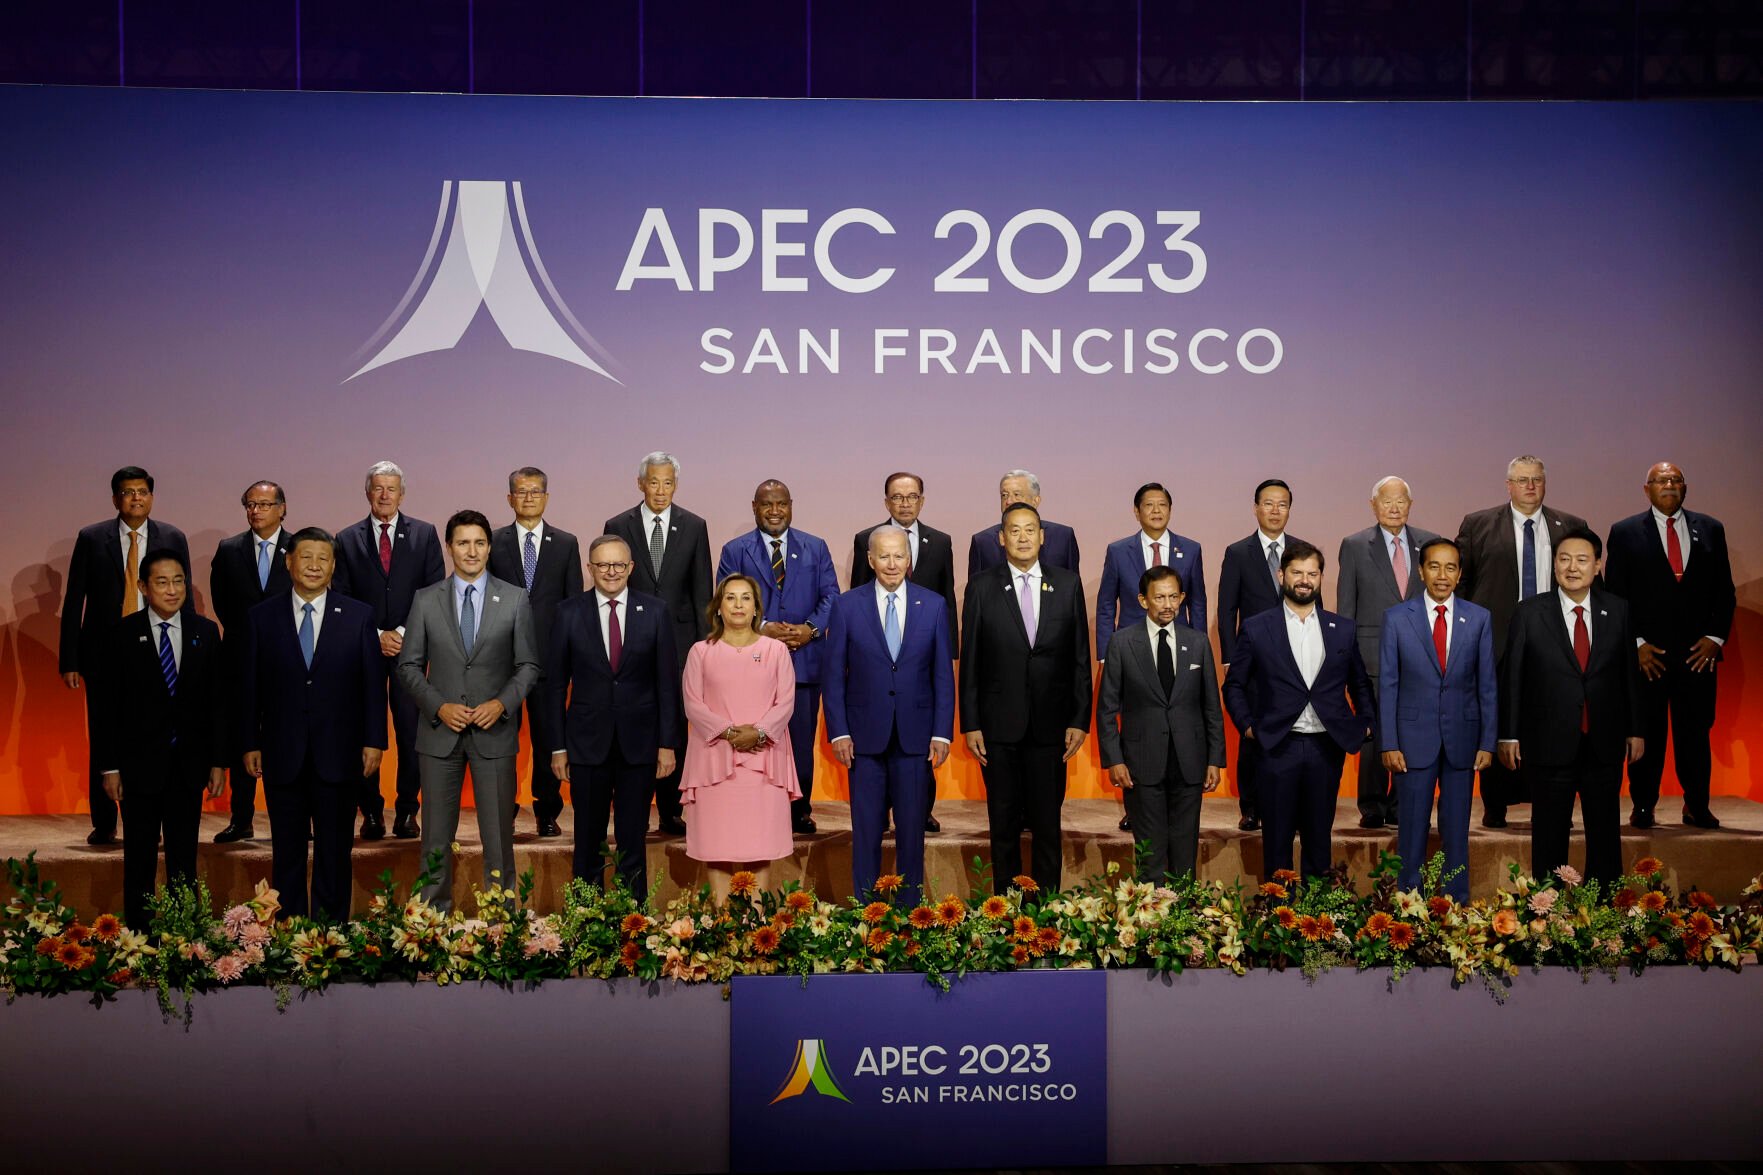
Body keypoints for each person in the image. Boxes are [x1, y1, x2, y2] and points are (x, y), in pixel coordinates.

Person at [239, 528, 387, 922]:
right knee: (286, 848)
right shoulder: (261, 617)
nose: (315, 566)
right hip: (282, 749)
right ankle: (286, 931)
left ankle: (329, 932)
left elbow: (373, 685)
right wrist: (249, 741)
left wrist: (375, 740)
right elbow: (250, 686)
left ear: (334, 565)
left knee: (335, 848)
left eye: (324, 558)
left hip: (338, 751)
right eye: (306, 557)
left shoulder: (358, 615)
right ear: (288, 562)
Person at [396, 510, 539, 911]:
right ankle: (431, 925)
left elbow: (528, 665)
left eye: (479, 542)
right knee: (435, 840)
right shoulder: (426, 600)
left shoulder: (514, 598)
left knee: (498, 838)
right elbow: (408, 666)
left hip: (494, 734)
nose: (471, 551)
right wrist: (438, 706)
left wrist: (502, 703)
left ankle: (501, 923)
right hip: (439, 736)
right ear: (449, 547)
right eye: (463, 543)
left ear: (489, 547)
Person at [1498, 529, 1644, 887]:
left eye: (1582, 560)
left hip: (1604, 741)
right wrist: (1509, 734)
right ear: (1555, 565)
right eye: (1564, 559)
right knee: (1548, 834)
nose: (1572, 567)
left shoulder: (1618, 610)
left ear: (1597, 565)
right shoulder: (1530, 612)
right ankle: (1547, 918)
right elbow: (1512, 677)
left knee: (1605, 835)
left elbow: (1630, 674)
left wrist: (1636, 729)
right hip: (1548, 742)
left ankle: (1605, 912)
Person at [960, 503, 1092, 895]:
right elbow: (971, 661)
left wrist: (1079, 718)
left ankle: (1047, 909)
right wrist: (971, 723)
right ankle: (1006, 911)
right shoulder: (982, 586)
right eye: (1014, 531)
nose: (1022, 537)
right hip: (998, 725)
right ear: (1001, 538)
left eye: (1029, 530)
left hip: (1051, 726)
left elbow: (1080, 659)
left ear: (1042, 536)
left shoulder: (1067, 584)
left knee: (1048, 824)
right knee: (1003, 825)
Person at [1222, 540, 1373, 880]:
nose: (1305, 580)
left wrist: (1365, 724)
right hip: (1277, 746)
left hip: (1325, 747)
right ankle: (1279, 921)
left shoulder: (1342, 629)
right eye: (1297, 573)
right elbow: (1234, 685)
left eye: (1312, 573)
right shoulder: (1258, 627)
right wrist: (1247, 726)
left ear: (1321, 578)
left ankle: (1316, 925)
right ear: (1281, 575)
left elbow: (1360, 684)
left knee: (1320, 840)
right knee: (1276, 840)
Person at [1454, 456, 1589, 828]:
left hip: (1554, 642)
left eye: (1537, 480)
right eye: (1522, 480)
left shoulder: (1571, 526)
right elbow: (1462, 585)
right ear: (1508, 485)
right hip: (1496, 640)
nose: (1530, 486)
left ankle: (1553, 801)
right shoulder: (1478, 524)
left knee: (1553, 721)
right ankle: (1495, 803)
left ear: (1545, 484)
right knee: (1496, 719)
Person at [59, 466, 191, 845]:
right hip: (105, 653)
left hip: (162, 648)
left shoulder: (171, 536)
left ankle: (160, 816)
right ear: (116, 498)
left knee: (160, 732)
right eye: (128, 492)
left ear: (152, 497)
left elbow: (186, 594)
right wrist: (70, 658)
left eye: (142, 492)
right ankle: (103, 821)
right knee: (105, 732)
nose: (136, 498)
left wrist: (193, 650)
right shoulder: (92, 537)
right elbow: (75, 600)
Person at [93, 551, 225, 928]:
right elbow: (106, 710)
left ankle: (185, 937)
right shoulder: (120, 635)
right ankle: (140, 935)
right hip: (137, 768)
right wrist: (110, 767)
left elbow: (218, 704)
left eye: (179, 581)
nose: (172, 589)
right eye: (162, 582)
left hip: (188, 766)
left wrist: (218, 761)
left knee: (184, 856)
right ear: (143, 588)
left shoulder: (205, 631)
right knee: (140, 856)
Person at [823, 529, 955, 908]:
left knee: (912, 833)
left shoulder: (932, 605)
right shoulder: (847, 606)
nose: (893, 564)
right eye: (885, 557)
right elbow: (834, 677)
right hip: (862, 740)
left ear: (909, 559)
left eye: (900, 556)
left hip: (915, 739)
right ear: (870, 560)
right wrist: (839, 732)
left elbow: (941, 676)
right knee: (865, 832)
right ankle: (866, 915)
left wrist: (942, 734)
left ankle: (911, 914)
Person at [546, 536, 680, 898]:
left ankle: (631, 921)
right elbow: (555, 686)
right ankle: (587, 919)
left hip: (640, 745)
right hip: (587, 745)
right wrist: (557, 747)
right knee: (588, 839)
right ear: (589, 568)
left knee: (632, 838)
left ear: (631, 568)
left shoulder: (655, 611)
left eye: (619, 565)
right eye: (603, 565)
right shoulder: (568, 612)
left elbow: (667, 684)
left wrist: (667, 744)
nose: (611, 572)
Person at [1604, 462, 1735, 830]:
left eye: (1676, 480)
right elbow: (1616, 596)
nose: (1670, 485)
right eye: (1662, 480)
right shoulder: (1625, 532)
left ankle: (1696, 805)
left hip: (1698, 656)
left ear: (1685, 488)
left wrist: (1714, 638)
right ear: (1646, 489)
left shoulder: (1710, 529)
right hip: (1648, 657)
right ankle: (1643, 805)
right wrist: (1636, 645)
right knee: (1647, 734)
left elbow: (1723, 591)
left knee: (1695, 734)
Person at [716, 480, 839, 834]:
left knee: (800, 740)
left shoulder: (815, 547)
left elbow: (831, 595)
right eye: (767, 504)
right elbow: (725, 597)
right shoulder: (735, 550)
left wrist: (810, 629)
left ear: (791, 505)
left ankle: (799, 809)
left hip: (806, 660)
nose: (775, 511)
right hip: (752, 662)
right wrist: (764, 626)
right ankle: (756, 805)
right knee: (756, 738)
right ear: (754, 507)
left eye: (781, 504)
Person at [331, 460, 445, 841]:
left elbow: (433, 592)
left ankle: (408, 811)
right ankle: (372, 812)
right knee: (366, 729)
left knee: (411, 731)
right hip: (363, 649)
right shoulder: (346, 539)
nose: (384, 495)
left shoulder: (425, 534)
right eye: (378, 488)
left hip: (409, 649)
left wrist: (399, 631)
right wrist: (375, 633)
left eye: (391, 488)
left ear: (402, 493)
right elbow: (342, 595)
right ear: (368, 492)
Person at [1377, 538, 1495, 902]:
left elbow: (1487, 684)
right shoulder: (1397, 618)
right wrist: (1389, 742)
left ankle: (1456, 904)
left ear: (1459, 574)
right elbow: (1388, 684)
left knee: (1456, 828)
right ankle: (1410, 904)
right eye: (1434, 566)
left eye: (1450, 568)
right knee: (1412, 827)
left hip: (1463, 737)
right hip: (1412, 741)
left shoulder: (1478, 618)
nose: (1442, 575)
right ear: (1421, 570)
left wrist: (1488, 741)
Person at [605, 452, 713, 837]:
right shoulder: (618, 525)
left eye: (668, 483)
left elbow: (703, 592)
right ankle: (631, 807)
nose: (661, 490)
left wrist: (705, 650)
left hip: (681, 643)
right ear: (641, 484)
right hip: (630, 640)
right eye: (654, 482)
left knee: (675, 726)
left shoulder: (694, 525)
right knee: (633, 722)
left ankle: (671, 810)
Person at [1096, 566, 1225, 884]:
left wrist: (1214, 759)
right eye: (1159, 597)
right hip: (1141, 763)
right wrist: (1114, 759)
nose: (1167, 604)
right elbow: (1107, 708)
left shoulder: (1198, 643)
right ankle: (1150, 926)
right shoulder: (1122, 643)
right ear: (1143, 601)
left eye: (1173, 597)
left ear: (1182, 598)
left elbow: (1211, 706)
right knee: (1150, 855)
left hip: (1189, 761)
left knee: (1184, 856)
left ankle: (1184, 926)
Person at [850, 470, 958, 834]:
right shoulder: (866, 539)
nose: (905, 503)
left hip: (922, 658)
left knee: (918, 744)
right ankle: (879, 812)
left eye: (912, 497)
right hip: (877, 658)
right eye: (897, 497)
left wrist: (950, 652)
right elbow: (856, 597)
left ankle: (920, 810)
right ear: (886, 502)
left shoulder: (940, 542)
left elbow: (948, 598)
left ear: (922, 501)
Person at [679, 574, 798, 902]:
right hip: (714, 759)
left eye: (746, 598)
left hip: (764, 761)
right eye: (730, 598)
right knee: (717, 843)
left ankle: (757, 918)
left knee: (760, 841)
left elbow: (785, 702)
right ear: (718, 607)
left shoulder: (775, 650)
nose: (738, 605)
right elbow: (693, 703)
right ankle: (720, 919)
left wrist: (758, 732)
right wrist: (729, 732)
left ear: (757, 607)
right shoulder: (701, 652)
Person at [1335, 476, 1441, 829]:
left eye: (1401, 502)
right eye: (1387, 501)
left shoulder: (1428, 543)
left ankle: (1402, 805)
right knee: (1374, 732)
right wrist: (1344, 661)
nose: (1394, 508)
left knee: (1412, 730)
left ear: (1410, 505)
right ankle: (1373, 806)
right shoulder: (1353, 545)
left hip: (1420, 655)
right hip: (1370, 656)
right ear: (1373, 505)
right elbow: (1347, 608)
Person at [1216, 479, 1318, 834]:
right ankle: (1251, 807)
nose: (1276, 511)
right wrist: (1230, 658)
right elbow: (1226, 610)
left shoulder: (1303, 552)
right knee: (1253, 734)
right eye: (1269, 504)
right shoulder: (1238, 552)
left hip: (1297, 662)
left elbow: (1313, 605)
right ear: (1256, 507)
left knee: (1294, 733)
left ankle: (1292, 804)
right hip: (1254, 660)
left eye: (1283, 504)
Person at [490, 466, 584, 838]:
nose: (528, 498)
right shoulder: (493, 542)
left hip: (549, 660)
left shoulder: (565, 543)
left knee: (549, 739)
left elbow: (573, 604)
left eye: (535, 491)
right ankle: (504, 809)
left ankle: (547, 810)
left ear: (546, 497)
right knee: (502, 740)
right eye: (521, 492)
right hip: (502, 661)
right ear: (510, 498)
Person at [208, 480, 291, 843]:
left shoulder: (299, 548)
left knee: (284, 739)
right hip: (240, 656)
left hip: (287, 657)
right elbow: (222, 601)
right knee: (243, 735)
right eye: (250, 504)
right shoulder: (229, 550)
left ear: (282, 508)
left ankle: (290, 820)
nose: (255, 510)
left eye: (263, 504)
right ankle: (240, 818)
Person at [1096, 481, 1206, 659]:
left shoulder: (1191, 550)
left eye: (1162, 505)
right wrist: (1105, 654)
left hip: (1179, 642)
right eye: (1149, 505)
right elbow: (1106, 605)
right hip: (1130, 644)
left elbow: (1198, 604)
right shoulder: (1118, 551)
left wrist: (1200, 649)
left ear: (1170, 510)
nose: (1156, 510)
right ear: (1136, 512)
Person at [967, 469, 1081, 578]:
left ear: (1036, 501)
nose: (1009, 501)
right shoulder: (983, 542)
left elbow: (1074, 592)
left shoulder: (1063, 537)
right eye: (1004, 495)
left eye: (1017, 494)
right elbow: (975, 594)